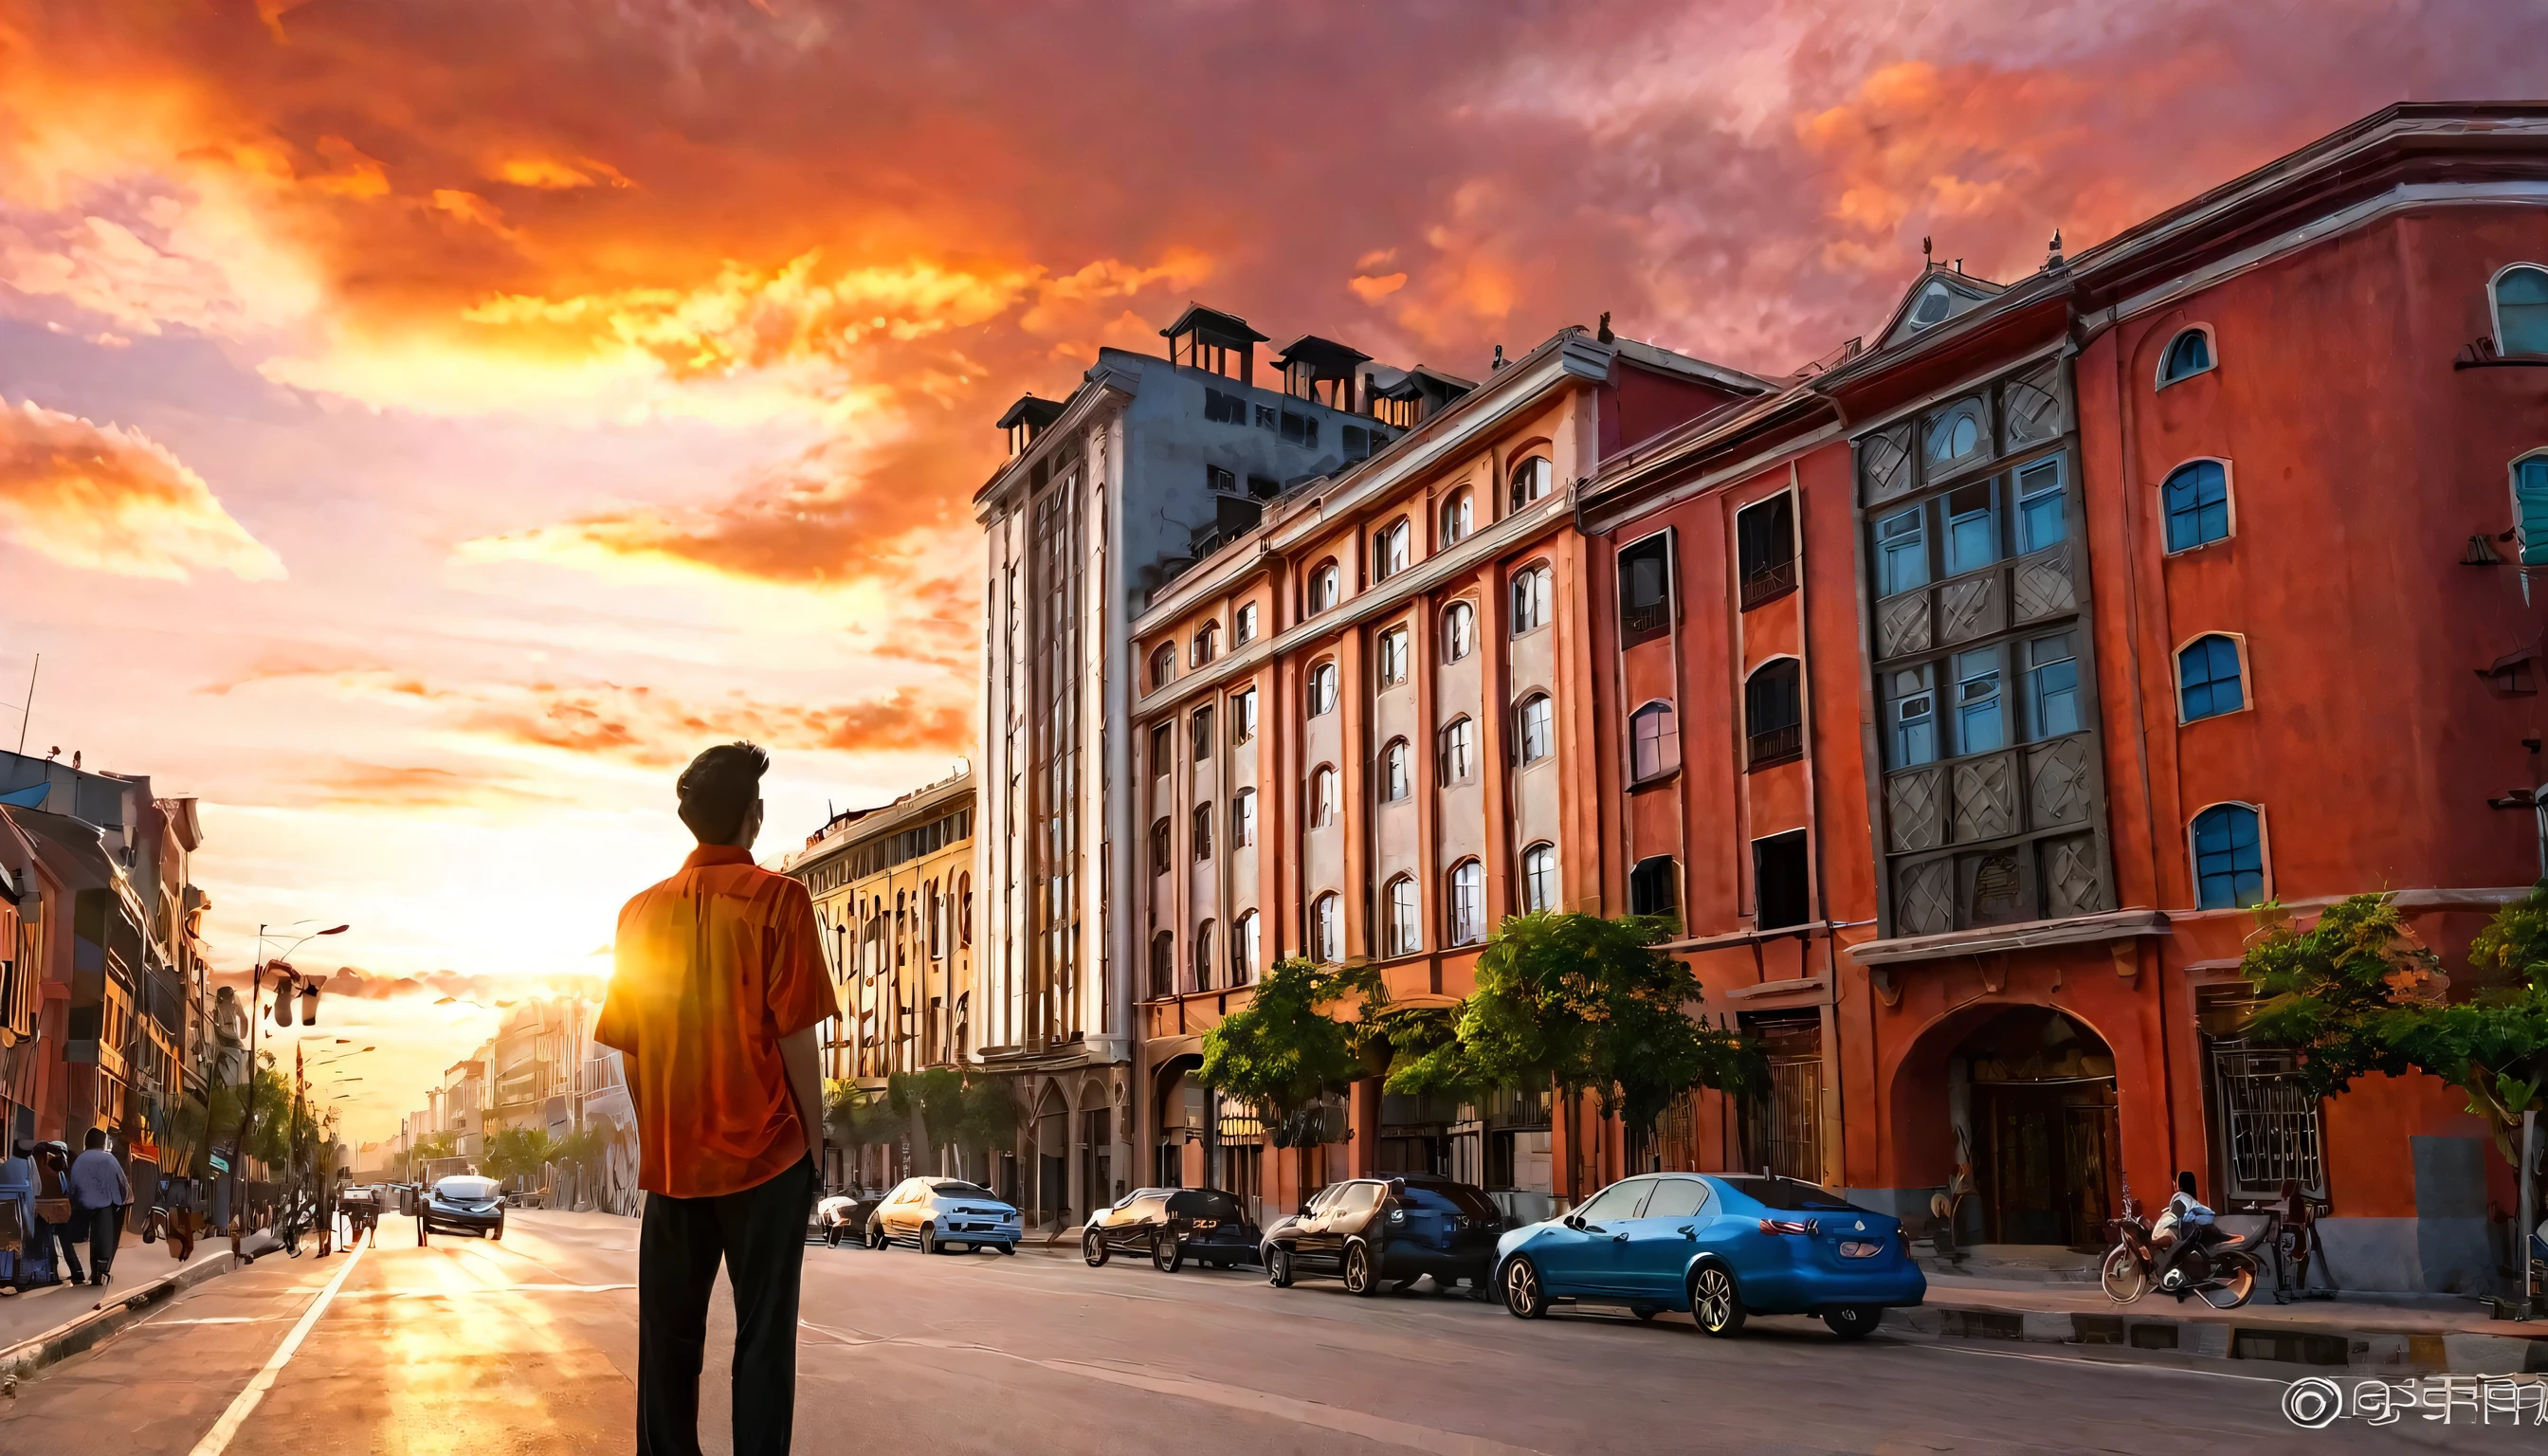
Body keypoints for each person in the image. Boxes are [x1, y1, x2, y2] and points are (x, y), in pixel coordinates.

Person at [598, 741, 833, 1456]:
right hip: (766, 1162)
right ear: (753, 816)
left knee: (666, 1348)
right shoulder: (780, 901)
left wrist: (660, 1135)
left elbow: (632, 1054)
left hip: (674, 1170)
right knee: (764, 1341)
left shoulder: (637, 915)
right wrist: (813, 1152)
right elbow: (797, 1046)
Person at [67, 1128, 131, 1287]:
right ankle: (101, 1272)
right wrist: (125, 1201)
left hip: (82, 1205)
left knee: (87, 1242)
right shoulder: (108, 1159)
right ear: (103, 1143)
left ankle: (85, 1271)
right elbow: (121, 1183)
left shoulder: (80, 1159)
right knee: (105, 1240)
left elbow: (73, 1185)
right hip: (105, 1206)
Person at [2156, 1170, 2225, 1291]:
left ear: (2178, 1186)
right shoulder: (2193, 1201)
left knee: (2169, 1234)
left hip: (2186, 1230)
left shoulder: (2181, 1197)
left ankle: (2153, 1246)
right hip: (2203, 1232)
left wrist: (2169, 1224)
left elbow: (2176, 1213)